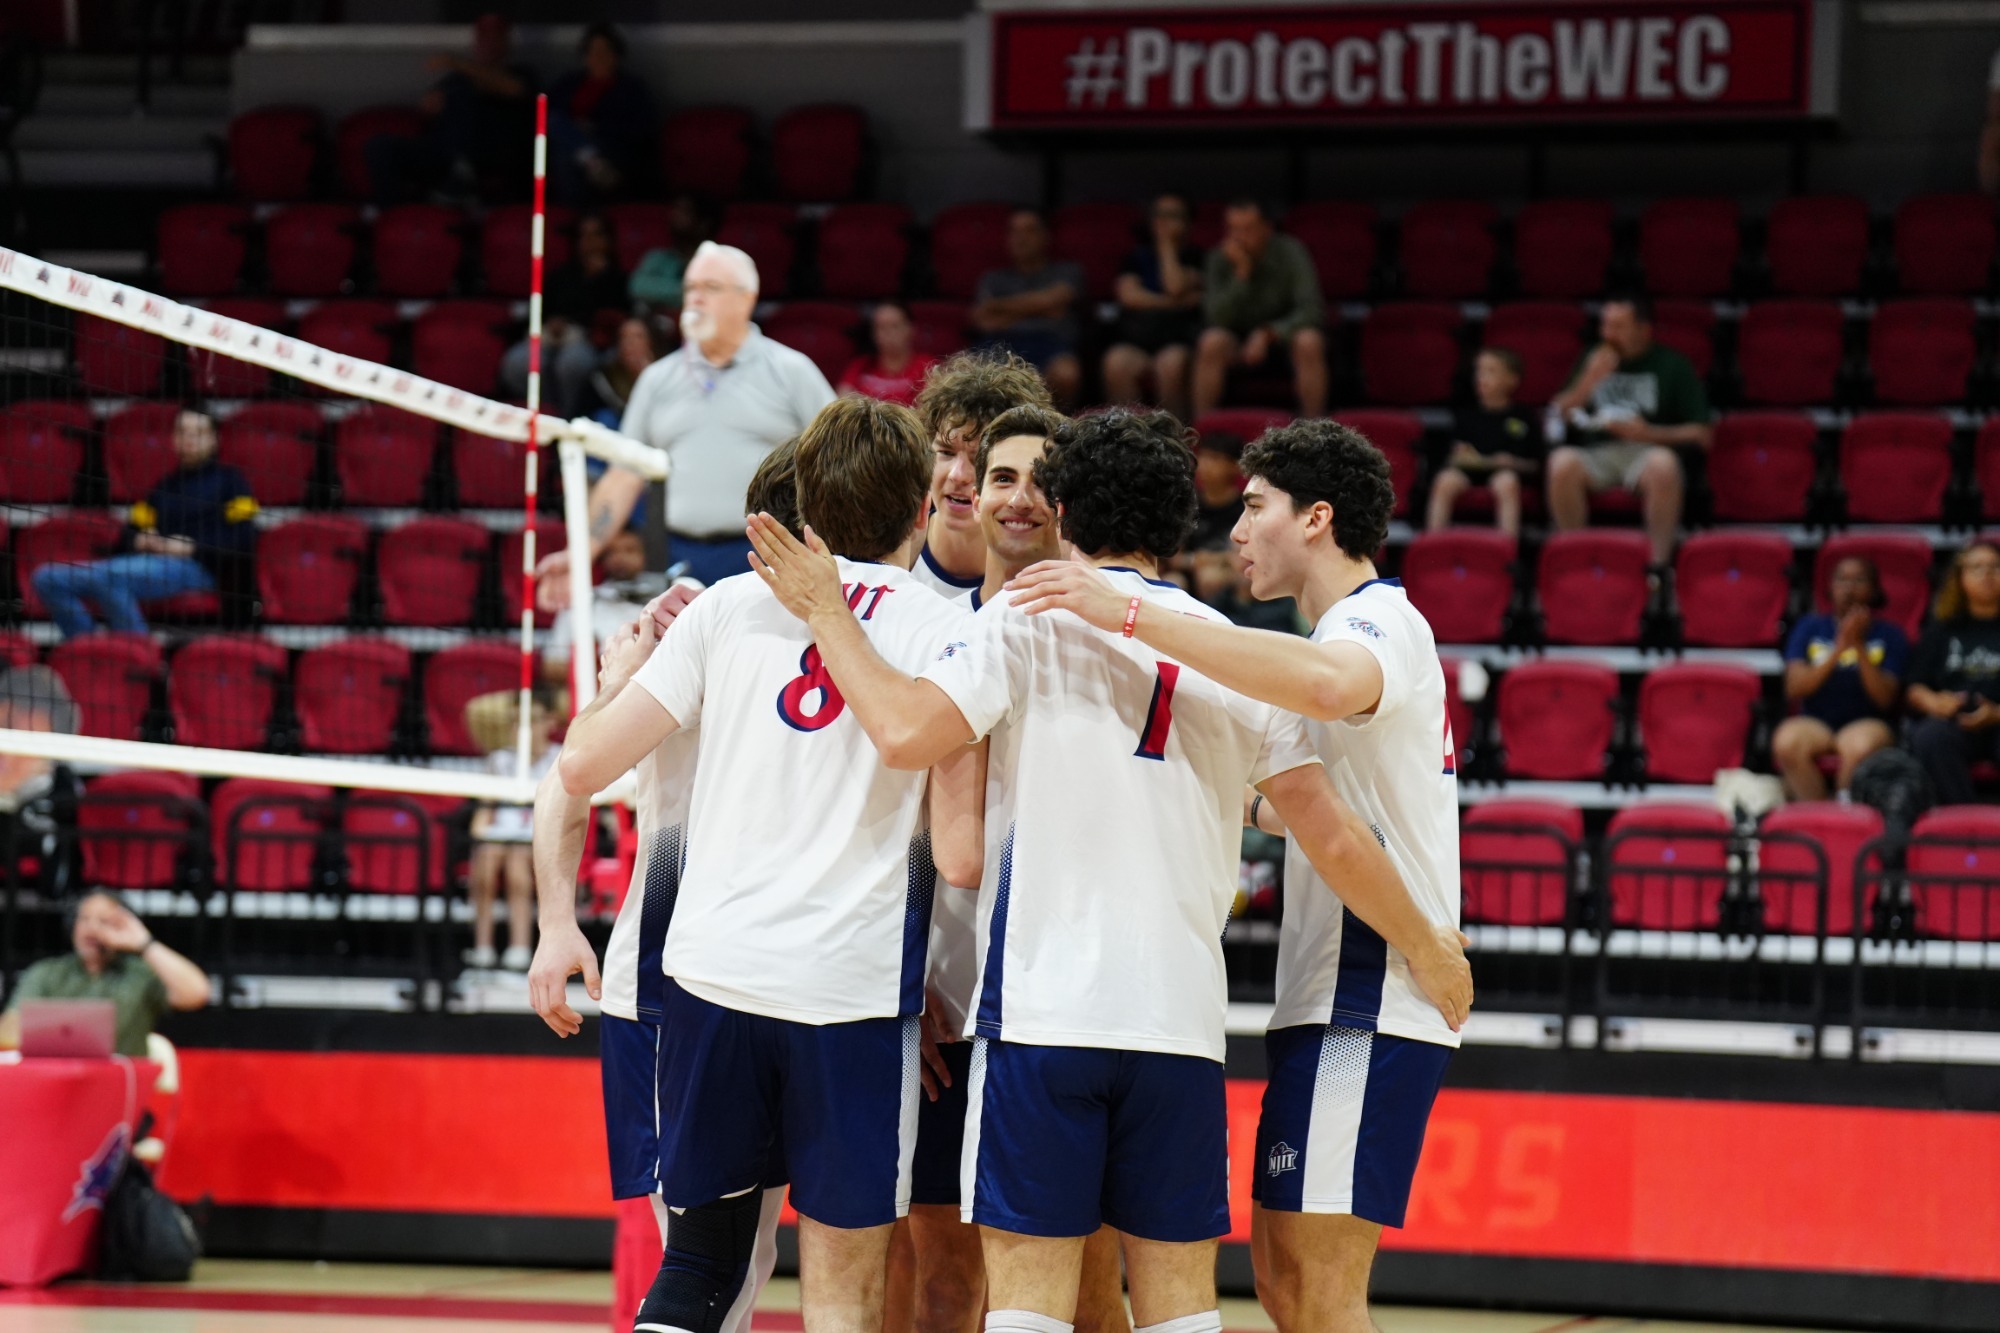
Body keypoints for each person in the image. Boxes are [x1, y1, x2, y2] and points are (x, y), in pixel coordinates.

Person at [745, 408, 1469, 1333]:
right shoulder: (1238, 653)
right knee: (1180, 1311)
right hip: (1179, 1028)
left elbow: (903, 734)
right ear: (1178, 523)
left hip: (1048, 1015)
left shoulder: (1027, 617)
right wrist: (1425, 938)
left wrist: (826, 610)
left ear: (1061, 511)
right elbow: (1325, 830)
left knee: (1031, 1307)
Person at [1001, 418, 1471, 1333]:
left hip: (1372, 988)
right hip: (1331, 992)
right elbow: (1294, 804)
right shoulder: (1336, 633)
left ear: (1319, 519)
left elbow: (1329, 691)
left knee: (1321, 1297)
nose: (1237, 529)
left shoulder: (1371, 622)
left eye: (1256, 507)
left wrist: (1130, 610)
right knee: (1290, 1287)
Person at [555, 396, 972, 1333]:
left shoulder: (726, 606)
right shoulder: (947, 631)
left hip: (711, 982)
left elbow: (581, 766)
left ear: (805, 508)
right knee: (844, 1288)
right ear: (918, 512)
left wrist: (617, 682)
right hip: (850, 996)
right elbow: (962, 850)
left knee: (698, 1267)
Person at [525, 445, 807, 1333]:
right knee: (700, 1257)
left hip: (782, 979)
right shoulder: (690, 627)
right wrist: (554, 923)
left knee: (747, 1254)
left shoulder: (861, 639)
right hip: (668, 990)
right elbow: (572, 772)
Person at [532, 240, 834, 598]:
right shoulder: (657, 380)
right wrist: (581, 555)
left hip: (771, 557)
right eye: (690, 288)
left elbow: (837, 463)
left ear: (746, 298)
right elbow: (623, 476)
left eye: (711, 288)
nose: (695, 298)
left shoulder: (791, 372)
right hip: (676, 557)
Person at [34, 409, 256, 639]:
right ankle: (86, 646)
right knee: (47, 578)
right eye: (182, 432)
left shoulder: (233, 482)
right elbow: (128, 533)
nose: (189, 438)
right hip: (146, 562)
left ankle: (138, 654)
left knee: (112, 576)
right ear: (173, 439)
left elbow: (244, 536)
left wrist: (191, 547)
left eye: (198, 432)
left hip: (197, 567)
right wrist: (141, 540)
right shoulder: (163, 486)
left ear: (214, 439)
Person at [1546, 295, 1712, 566]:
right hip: (1598, 452)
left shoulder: (1673, 365)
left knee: (1664, 466)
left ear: (1643, 330)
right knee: (1560, 464)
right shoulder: (1593, 358)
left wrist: (1648, 434)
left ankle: (1657, 568)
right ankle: (1574, 560)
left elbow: (1702, 434)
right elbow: (1557, 418)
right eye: (1605, 326)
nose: (1607, 335)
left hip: (1646, 452)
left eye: (1618, 327)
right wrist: (1588, 382)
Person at [908, 350, 1055, 599]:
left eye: (978, 459)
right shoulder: (893, 553)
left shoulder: (1049, 567)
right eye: (945, 452)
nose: (958, 475)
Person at [0, 891, 209, 1056]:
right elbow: (8, 1031)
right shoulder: (47, 973)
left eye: (104, 922)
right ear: (71, 925)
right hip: (56, 1088)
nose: (92, 929)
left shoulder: (141, 974)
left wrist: (144, 943)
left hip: (121, 1091)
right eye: (85, 919)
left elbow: (196, 993)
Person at [1772, 556, 1907, 801]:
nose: (1849, 587)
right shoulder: (1809, 627)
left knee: (1858, 747)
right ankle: (1816, 817)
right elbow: (1795, 688)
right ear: (1830, 587)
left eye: (1859, 580)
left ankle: (1845, 816)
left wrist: (1859, 647)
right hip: (1817, 721)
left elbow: (1885, 699)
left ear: (1874, 589)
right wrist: (1838, 649)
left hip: (1869, 721)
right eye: (1842, 580)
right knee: (1787, 742)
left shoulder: (1891, 635)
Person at [364, 13, 535, 206]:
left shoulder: (522, 73)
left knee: (466, 96)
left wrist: (456, 63)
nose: (487, 45)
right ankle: (390, 215)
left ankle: (462, 175)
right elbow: (427, 108)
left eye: (494, 39)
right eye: (482, 39)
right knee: (380, 146)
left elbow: (514, 89)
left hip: (492, 157)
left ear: (506, 43)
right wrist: (431, 106)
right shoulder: (457, 79)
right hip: (444, 155)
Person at [1192, 199, 1327, 420]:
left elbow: (1312, 310)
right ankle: (1202, 431)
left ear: (1267, 228)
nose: (1239, 237)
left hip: (1283, 339)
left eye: (1247, 229)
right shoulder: (1218, 258)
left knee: (1309, 341)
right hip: (1236, 341)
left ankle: (1314, 432)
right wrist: (1241, 274)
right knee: (1211, 341)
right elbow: (1215, 316)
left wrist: (1269, 333)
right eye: (1233, 230)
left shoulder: (1291, 252)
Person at [466, 688, 561, 972]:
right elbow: (485, 810)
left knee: (517, 866)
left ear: (549, 722)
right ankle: (482, 947)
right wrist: (478, 832)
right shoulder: (499, 760)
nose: (523, 728)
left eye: (532, 720)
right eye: (516, 721)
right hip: (503, 832)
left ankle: (520, 947)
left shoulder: (559, 758)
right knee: (486, 860)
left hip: (539, 833)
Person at [501, 212, 628, 419]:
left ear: (608, 240)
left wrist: (601, 279)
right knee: (519, 361)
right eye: (583, 236)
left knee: (573, 362)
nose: (589, 242)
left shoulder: (617, 279)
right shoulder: (561, 275)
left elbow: (614, 319)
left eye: (596, 235)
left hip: (588, 341)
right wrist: (551, 324)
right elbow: (541, 310)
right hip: (549, 337)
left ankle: (568, 419)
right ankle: (547, 414)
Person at [1906, 541, 2000, 805]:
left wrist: (1996, 714)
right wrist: (1933, 702)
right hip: (1953, 721)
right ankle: (1965, 825)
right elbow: (1915, 686)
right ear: (1960, 579)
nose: (1987, 574)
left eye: (1995, 567)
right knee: (1930, 737)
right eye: (1977, 568)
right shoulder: (1941, 629)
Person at [1102, 192, 1204, 420]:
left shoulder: (1197, 255)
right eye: (1158, 215)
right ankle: (1126, 438)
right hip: (1138, 337)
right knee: (1116, 362)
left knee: (1170, 366)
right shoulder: (1137, 256)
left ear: (1187, 223)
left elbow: (1175, 285)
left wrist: (1166, 246)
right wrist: (1173, 303)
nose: (1163, 221)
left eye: (1172, 215)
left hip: (1178, 338)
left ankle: (1175, 440)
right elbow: (1129, 296)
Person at [1426, 346, 1543, 538]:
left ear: (1512, 380)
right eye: (1479, 371)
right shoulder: (1466, 414)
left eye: (1491, 371)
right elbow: (1453, 455)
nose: (1481, 377)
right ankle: (1433, 544)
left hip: (1504, 474)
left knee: (1507, 482)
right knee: (1445, 481)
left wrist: (1513, 463)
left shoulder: (1524, 417)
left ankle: (1507, 550)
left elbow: (1535, 464)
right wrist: (1460, 455)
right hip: (1469, 473)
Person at [972, 210, 1084, 409]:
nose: (1021, 238)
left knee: (1067, 373)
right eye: (1014, 232)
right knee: (972, 375)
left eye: (1029, 231)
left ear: (1045, 236)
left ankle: (1060, 432)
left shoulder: (1068, 271)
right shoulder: (992, 278)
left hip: (1050, 343)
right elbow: (984, 321)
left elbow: (1057, 297)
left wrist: (999, 306)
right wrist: (1042, 307)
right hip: (1001, 344)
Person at [544, 23, 655, 206]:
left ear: (616, 55)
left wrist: (594, 128)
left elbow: (641, 127)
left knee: (568, 151)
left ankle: (590, 159)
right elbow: (550, 116)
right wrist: (576, 130)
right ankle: (591, 160)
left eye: (604, 51)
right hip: (578, 154)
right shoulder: (568, 84)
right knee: (559, 135)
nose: (598, 56)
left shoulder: (631, 89)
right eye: (593, 51)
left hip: (610, 150)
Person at [840, 301, 940, 408]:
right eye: (881, 327)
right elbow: (841, 404)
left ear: (910, 329)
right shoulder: (860, 366)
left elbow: (931, 410)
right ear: (873, 333)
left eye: (894, 326)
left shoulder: (927, 366)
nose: (888, 333)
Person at [585, 317, 664, 426]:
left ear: (650, 342)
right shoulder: (604, 377)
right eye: (624, 337)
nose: (630, 343)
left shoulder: (665, 374)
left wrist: (647, 377)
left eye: (638, 337)